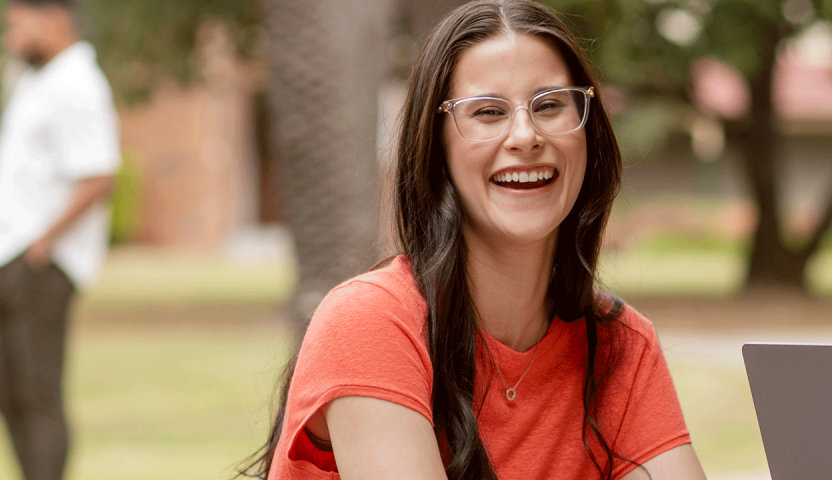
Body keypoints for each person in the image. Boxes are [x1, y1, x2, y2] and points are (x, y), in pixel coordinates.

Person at [241, 1, 709, 479]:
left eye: (549, 105)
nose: (525, 136)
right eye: (487, 112)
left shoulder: (620, 344)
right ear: (437, 148)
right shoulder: (371, 324)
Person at [0, 0, 118, 479]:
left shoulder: (78, 85)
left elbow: (98, 175)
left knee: (37, 393)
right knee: (3, 389)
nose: (7, 39)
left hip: (42, 264)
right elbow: (27, 170)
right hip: (7, 254)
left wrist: (44, 241)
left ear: (54, 18)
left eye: (15, 26)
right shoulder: (36, 82)